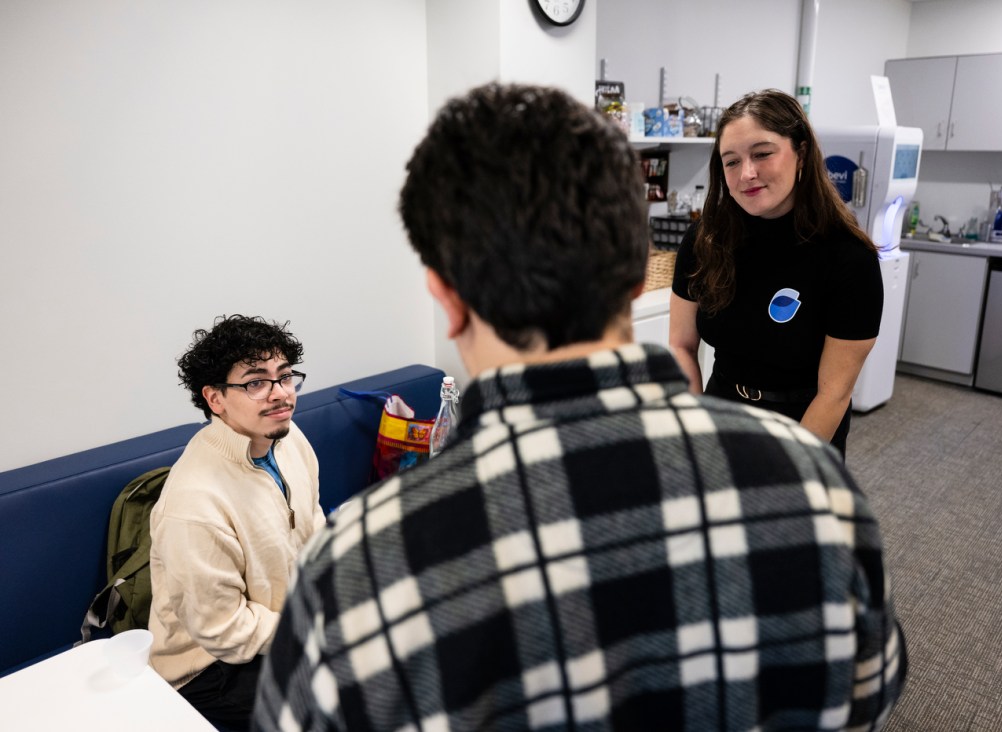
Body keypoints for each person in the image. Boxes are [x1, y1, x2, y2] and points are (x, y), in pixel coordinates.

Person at [254, 83, 905, 731]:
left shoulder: (355, 571)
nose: (747, 173)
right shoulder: (816, 491)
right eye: (732, 160)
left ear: (445, 298)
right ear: (633, 276)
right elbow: (864, 699)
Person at [669, 89, 884, 458]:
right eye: (731, 161)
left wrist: (790, 470)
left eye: (762, 154)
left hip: (803, 429)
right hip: (721, 416)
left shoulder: (848, 257)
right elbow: (682, 346)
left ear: (800, 153)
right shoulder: (706, 238)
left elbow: (834, 393)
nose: (747, 174)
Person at [149, 314, 326, 731]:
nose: (280, 394)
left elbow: (311, 521)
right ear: (215, 399)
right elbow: (223, 630)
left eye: (284, 377)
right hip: (209, 670)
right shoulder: (194, 503)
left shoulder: (288, 438)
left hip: (284, 624)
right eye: (255, 382)